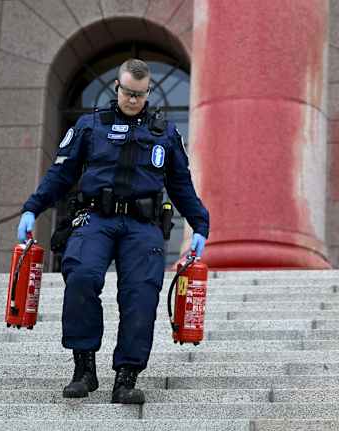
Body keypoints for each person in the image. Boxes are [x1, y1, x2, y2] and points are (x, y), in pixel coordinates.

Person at [16, 59, 209, 404]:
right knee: (82, 276)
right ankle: (84, 369)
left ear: (148, 91)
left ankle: (126, 377)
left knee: (141, 295)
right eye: (128, 92)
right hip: (96, 219)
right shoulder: (91, 126)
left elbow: (181, 185)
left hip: (142, 225)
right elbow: (60, 174)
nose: (133, 100)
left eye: (140, 94)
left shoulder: (164, 133)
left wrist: (200, 225)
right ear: (116, 88)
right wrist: (33, 207)